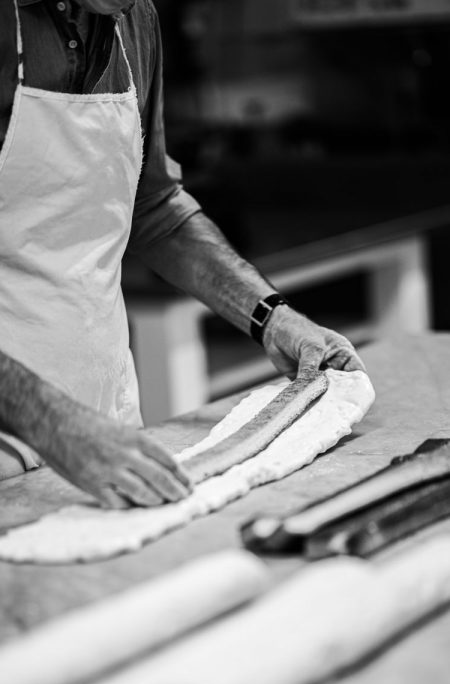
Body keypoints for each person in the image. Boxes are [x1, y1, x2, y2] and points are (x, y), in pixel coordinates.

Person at [0, 0, 364, 509]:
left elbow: (156, 208)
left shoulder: (136, 21)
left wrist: (270, 317)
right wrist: (51, 422)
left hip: (105, 432)